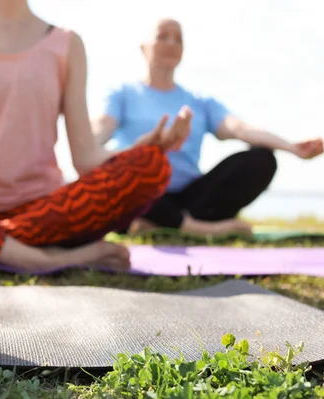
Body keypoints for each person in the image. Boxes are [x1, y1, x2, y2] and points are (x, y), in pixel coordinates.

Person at [0, 0, 194, 273]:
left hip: (41, 213)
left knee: (152, 165)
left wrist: (143, 148)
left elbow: (85, 157)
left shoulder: (67, 44)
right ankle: (41, 259)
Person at [93, 18, 323, 237]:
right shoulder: (122, 95)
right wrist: (134, 152)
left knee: (262, 159)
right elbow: (99, 131)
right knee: (122, 175)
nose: (171, 43)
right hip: (142, 194)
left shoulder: (199, 102)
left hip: (191, 199)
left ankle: (166, 223)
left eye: (178, 39)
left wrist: (292, 148)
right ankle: (201, 229)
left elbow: (240, 129)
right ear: (143, 47)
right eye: (163, 36)